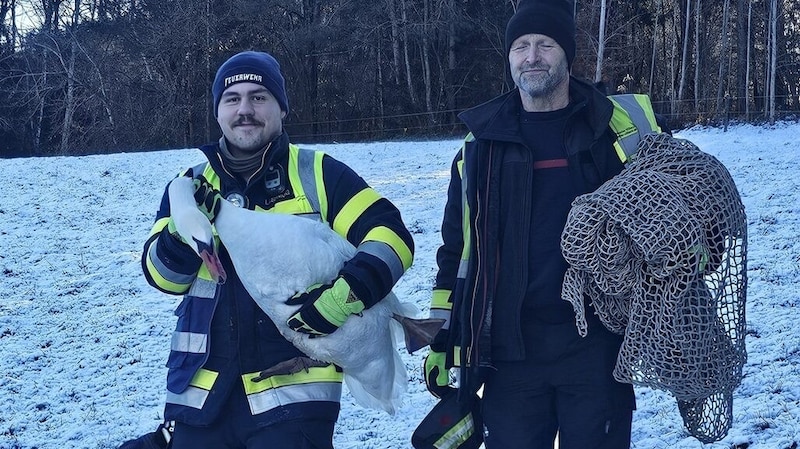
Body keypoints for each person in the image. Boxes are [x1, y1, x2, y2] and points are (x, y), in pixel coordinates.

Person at [133, 50, 414, 449]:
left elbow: (392, 237)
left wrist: (348, 293)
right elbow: (162, 277)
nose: (244, 110)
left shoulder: (319, 174)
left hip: (293, 402)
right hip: (198, 398)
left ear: (282, 108)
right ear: (217, 113)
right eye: (232, 99)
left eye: (259, 97)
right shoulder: (188, 186)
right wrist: (182, 235)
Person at [421, 1, 664, 448]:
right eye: (521, 47)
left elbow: (674, 211)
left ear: (567, 54)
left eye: (545, 44)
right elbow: (457, 250)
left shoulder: (617, 130)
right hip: (511, 353)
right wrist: (443, 333)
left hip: (599, 348)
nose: (532, 56)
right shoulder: (481, 144)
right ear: (509, 59)